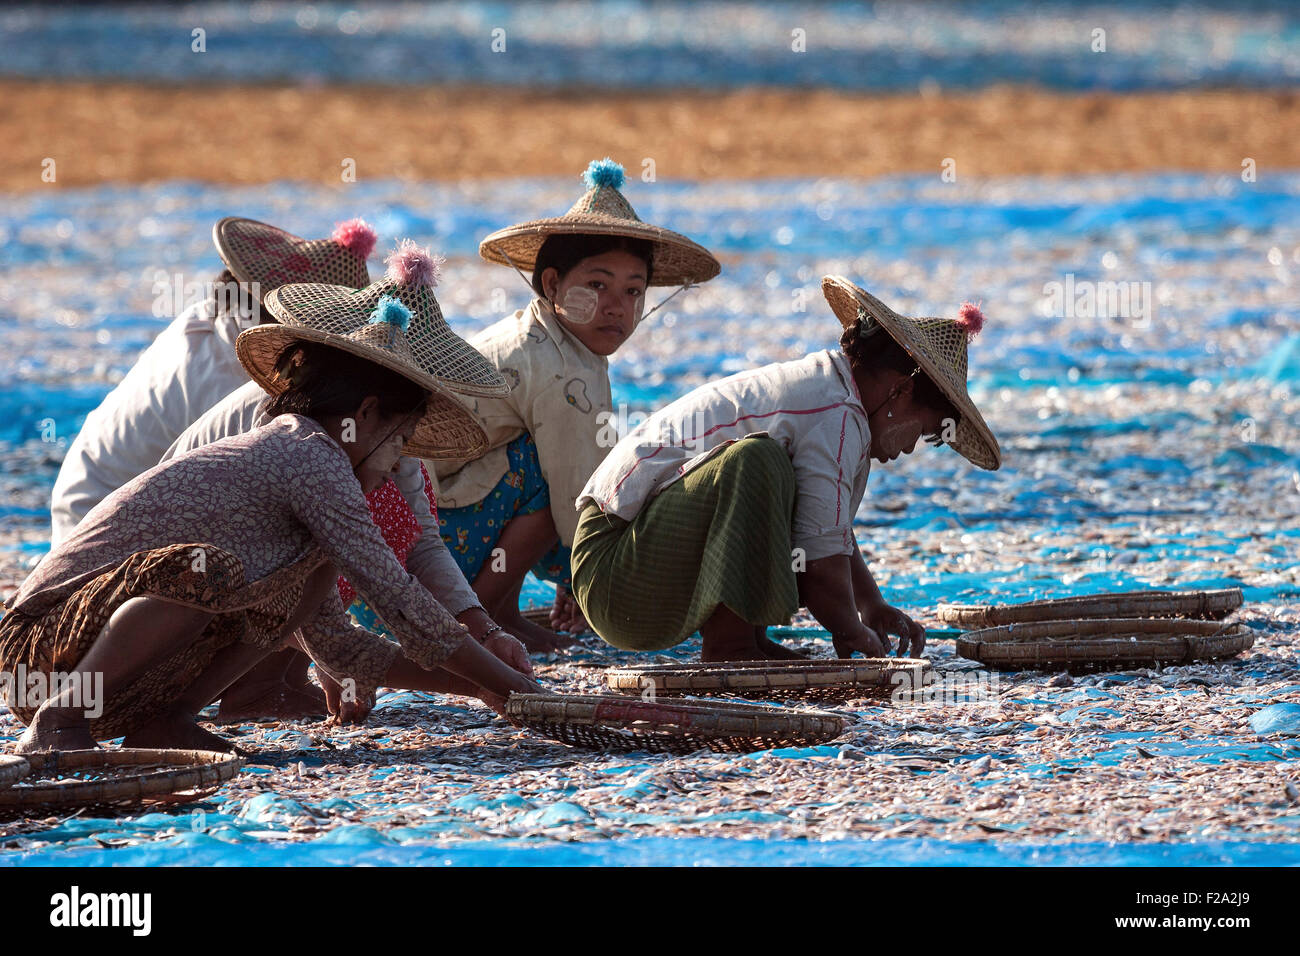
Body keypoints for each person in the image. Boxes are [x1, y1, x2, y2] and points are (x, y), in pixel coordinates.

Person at [1, 269, 541, 754]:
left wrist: (481, 688)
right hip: (35, 656)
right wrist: (510, 686)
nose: (400, 457)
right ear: (367, 414)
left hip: (105, 679)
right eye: (400, 438)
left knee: (299, 586)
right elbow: (397, 598)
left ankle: (168, 720)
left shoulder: (323, 473)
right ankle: (57, 722)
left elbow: (338, 645)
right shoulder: (305, 453)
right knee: (204, 572)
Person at [47, 216, 379, 719]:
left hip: (113, 529)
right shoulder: (232, 372)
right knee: (297, 524)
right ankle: (251, 686)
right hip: (98, 567)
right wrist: (340, 652)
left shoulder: (214, 326)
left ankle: (267, 677)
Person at [570, 276, 1002, 662]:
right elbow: (818, 558)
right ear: (901, 391)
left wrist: (871, 605)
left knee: (777, 478)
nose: (909, 448)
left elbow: (827, 528)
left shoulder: (835, 399)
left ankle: (747, 641)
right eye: (920, 432)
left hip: (634, 561)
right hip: (612, 568)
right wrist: (851, 632)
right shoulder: (835, 412)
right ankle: (730, 644)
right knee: (757, 462)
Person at [162, 241, 530, 690]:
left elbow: (421, 544)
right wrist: (496, 684)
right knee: (365, 524)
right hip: (182, 587)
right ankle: (257, 685)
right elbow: (388, 590)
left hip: (220, 585)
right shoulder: (289, 437)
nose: (403, 449)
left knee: (389, 513)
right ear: (371, 406)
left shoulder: (372, 432)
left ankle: (277, 675)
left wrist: (483, 631)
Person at [432, 158, 720, 651]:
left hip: (439, 522)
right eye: (597, 285)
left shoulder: (554, 339)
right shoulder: (558, 369)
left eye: (633, 291)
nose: (616, 306)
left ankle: (499, 609)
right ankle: (481, 618)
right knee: (546, 473)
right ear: (551, 286)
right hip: (430, 538)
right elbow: (576, 487)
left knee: (542, 462)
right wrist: (583, 579)